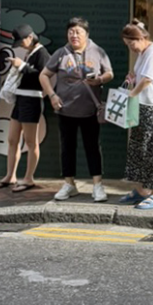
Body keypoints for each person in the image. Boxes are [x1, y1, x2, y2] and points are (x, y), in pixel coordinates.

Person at [39, 16, 114, 202]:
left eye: (78, 32)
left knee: (92, 147)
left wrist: (99, 80)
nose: (74, 35)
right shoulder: (61, 53)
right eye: (71, 32)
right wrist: (52, 95)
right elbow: (44, 75)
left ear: (86, 34)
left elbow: (110, 73)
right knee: (67, 148)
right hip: (65, 110)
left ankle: (97, 185)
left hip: (90, 109)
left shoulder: (98, 51)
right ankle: (69, 184)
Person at [117, 20, 153, 210]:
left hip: (151, 107)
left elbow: (148, 79)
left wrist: (132, 94)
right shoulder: (143, 53)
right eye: (128, 45)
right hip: (141, 106)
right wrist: (132, 79)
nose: (131, 48)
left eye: (131, 43)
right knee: (140, 147)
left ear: (141, 38)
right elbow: (140, 77)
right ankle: (143, 190)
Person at [0, 24, 50, 192]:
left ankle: (29, 178)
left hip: (32, 99)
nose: (21, 46)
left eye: (22, 42)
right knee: (12, 139)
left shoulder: (42, 53)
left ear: (30, 37)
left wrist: (22, 66)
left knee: (31, 142)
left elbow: (42, 76)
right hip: (20, 98)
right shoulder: (30, 52)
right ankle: (10, 175)